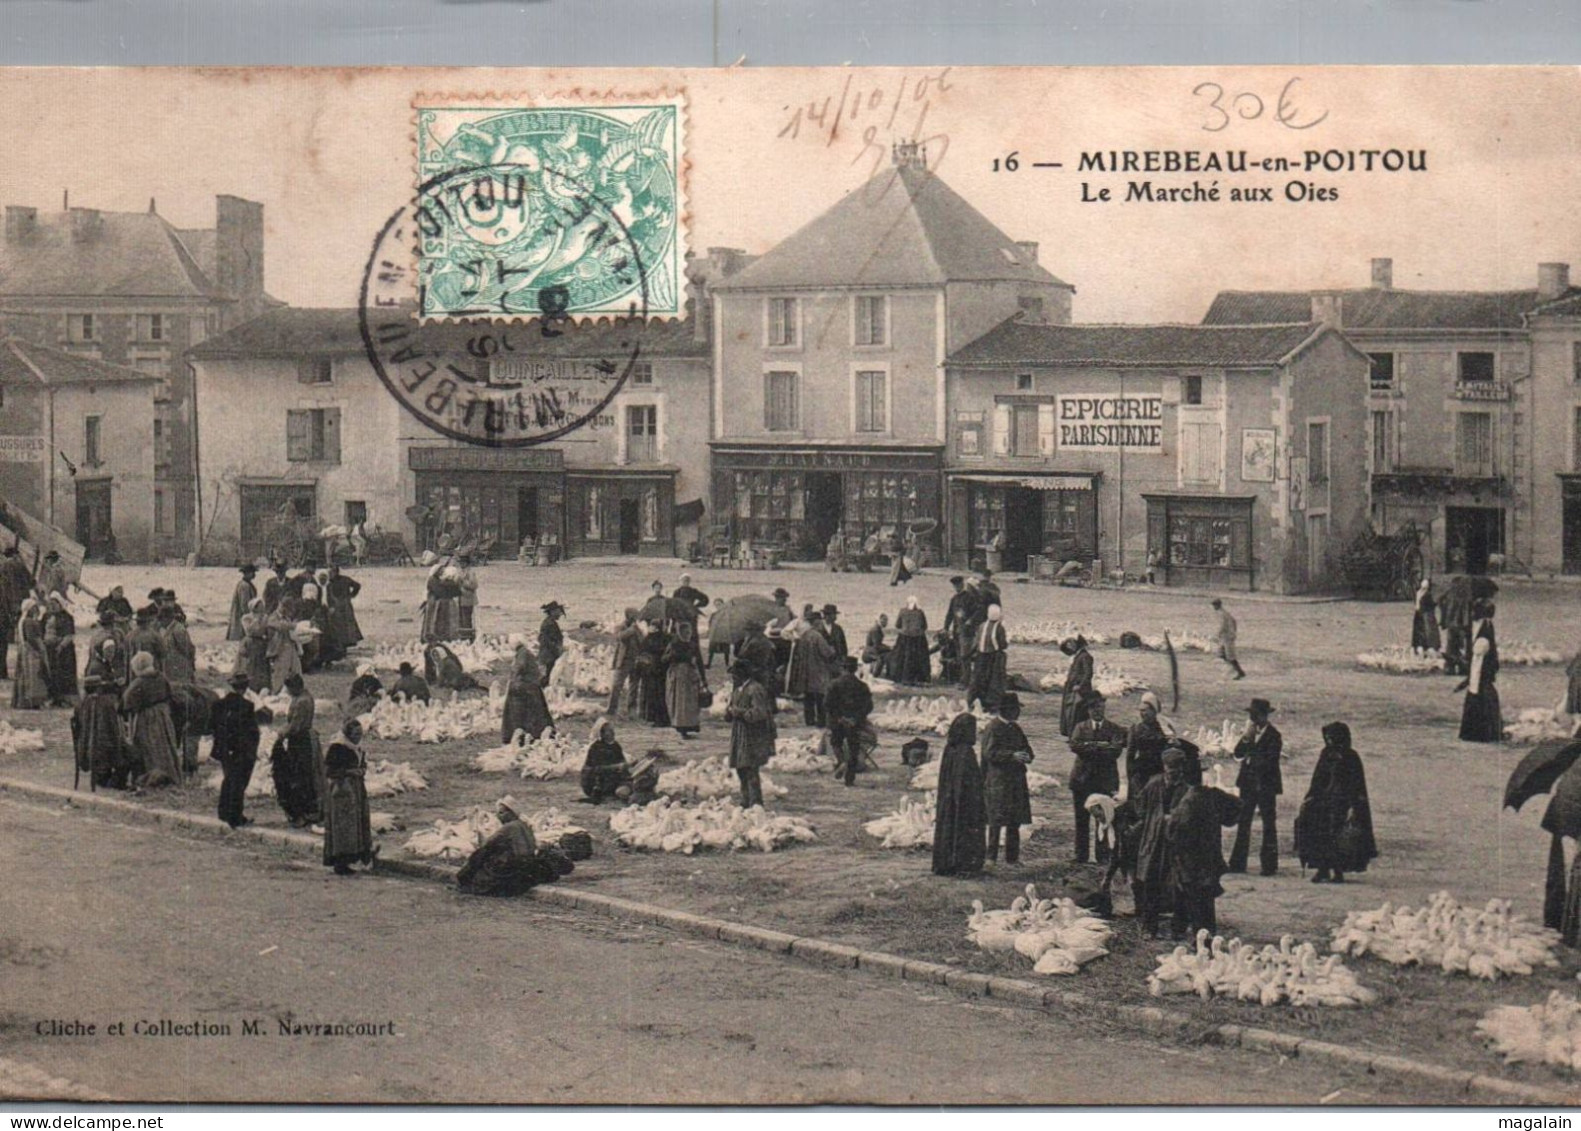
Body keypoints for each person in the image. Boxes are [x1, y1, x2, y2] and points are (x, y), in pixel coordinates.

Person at [1296, 721, 1378, 883]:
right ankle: (1323, 869)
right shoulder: (1325, 754)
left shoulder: (1351, 756)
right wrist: (1310, 797)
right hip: (1323, 804)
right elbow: (1318, 779)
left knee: (1338, 838)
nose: (1328, 739)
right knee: (1321, 836)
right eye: (1327, 737)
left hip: (1342, 804)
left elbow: (1357, 783)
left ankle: (1338, 871)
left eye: (1331, 736)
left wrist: (1354, 807)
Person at [1163, 772, 1240, 938]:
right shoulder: (1212, 795)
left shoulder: (1188, 802)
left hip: (1191, 860)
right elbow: (1237, 805)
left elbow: (1174, 833)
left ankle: (1199, 939)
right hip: (1210, 856)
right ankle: (1196, 933)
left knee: (1193, 897)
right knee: (1203, 898)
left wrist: (1169, 823)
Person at [1133, 748, 1192, 937]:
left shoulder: (1187, 790)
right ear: (1164, 767)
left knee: (1179, 884)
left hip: (1176, 845)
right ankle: (1149, 926)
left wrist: (1174, 819)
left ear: (1182, 769)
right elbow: (1140, 806)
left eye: (1176, 770)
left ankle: (1179, 928)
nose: (1172, 774)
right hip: (1154, 841)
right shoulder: (1154, 784)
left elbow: (1191, 818)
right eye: (1169, 770)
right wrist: (1154, 820)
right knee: (1151, 882)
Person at [457, 803, 574, 896]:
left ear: (510, 813)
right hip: (530, 865)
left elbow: (488, 844)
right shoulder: (524, 825)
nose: (498, 816)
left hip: (513, 867)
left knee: (480, 856)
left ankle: (464, 877)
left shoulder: (509, 828)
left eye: (502, 813)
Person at [1068, 694, 1127, 864]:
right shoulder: (1080, 727)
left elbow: (1115, 751)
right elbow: (1074, 746)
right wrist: (1100, 746)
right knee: (1081, 819)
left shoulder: (1114, 729)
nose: (1098, 711)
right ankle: (1081, 856)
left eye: (1101, 707)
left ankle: (1103, 856)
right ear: (1089, 710)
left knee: (1104, 818)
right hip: (1081, 781)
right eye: (1094, 708)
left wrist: (1089, 747)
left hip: (1104, 781)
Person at [1228, 697, 1283, 876]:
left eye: (1255, 715)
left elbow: (1269, 761)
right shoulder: (1249, 732)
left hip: (1266, 785)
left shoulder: (1275, 735)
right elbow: (1237, 753)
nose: (1252, 719)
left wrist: (1251, 758)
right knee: (1243, 823)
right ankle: (1238, 864)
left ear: (1264, 716)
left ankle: (1269, 865)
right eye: (1251, 715)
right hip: (1249, 784)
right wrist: (1245, 739)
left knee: (1269, 824)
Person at [932, 712, 987, 876]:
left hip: (950, 799)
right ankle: (963, 864)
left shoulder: (950, 749)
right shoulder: (965, 752)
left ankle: (946, 863)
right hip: (965, 800)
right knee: (964, 831)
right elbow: (966, 779)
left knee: (949, 829)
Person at [981, 693, 1034, 865]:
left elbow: (1028, 750)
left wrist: (1027, 756)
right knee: (996, 819)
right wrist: (1012, 755)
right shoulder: (993, 727)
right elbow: (989, 753)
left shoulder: (1016, 728)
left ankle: (1012, 858)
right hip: (999, 781)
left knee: (1014, 820)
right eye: (1016, 709)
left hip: (1016, 780)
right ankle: (991, 857)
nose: (1018, 712)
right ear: (1007, 710)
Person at [322, 719, 374, 876]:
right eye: (356, 734)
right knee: (343, 825)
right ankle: (340, 861)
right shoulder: (337, 748)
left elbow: (361, 763)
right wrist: (350, 772)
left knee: (355, 822)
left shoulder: (356, 747)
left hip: (356, 789)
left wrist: (361, 770)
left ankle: (356, 856)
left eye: (361, 734)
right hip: (342, 791)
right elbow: (329, 771)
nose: (359, 737)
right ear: (347, 734)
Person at [122, 651, 182, 788]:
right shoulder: (161, 677)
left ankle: (151, 778)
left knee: (148, 747)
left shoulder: (138, 683)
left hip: (147, 718)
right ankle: (170, 775)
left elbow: (127, 702)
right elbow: (169, 694)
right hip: (163, 715)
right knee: (165, 745)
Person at [211, 672, 263, 828]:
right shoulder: (247, 707)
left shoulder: (219, 705)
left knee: (228, 779)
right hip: (241, 751)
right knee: (238, 784)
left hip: (224, 750)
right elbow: (251, 733)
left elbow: (213, 726)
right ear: (245, 687)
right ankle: (235, 817)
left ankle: (224, 811)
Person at [725, 659, 776, 809]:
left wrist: (740, 713)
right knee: (741, 768)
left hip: (753, 735)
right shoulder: (738, 690)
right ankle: (745, 799)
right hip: (740, 734)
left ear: (742, 674)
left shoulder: (755, 689)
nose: (733, 677)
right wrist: (728, 713)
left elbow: (759, 713)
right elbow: (730, 710)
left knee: (751, 768)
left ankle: (755, 801)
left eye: (735, 674)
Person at [272, 674, 321, 827]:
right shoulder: (302, 697)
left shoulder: (302, 701)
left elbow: (295, 726)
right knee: (303, 775)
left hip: (301, 741)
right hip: (300, 739)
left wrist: (281, 735)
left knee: (300, 776)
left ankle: (303, 812)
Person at [72, 675, 129, 791]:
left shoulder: (80, 705)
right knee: (133, 753)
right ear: (99, 688)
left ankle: (103, 777)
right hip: (105, 750)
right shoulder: (107, 704)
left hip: (84, 750)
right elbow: (114, 730)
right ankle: (115, 782)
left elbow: (78, 729)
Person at [825, 656, 875, 787]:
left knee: (835, 742)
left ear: (843, 668)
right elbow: (868, 706)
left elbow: (828, 704)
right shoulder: (862, 686)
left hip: (838, 721)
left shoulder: (834, 684)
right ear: (855, 669)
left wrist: (839, 717)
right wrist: (855, 718)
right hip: (854, 722)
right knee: (854, 747)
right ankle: (850, 778)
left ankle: (842, 761)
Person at [1457, 601, 1502, 742]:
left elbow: (1479, 658)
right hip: (1483, 671)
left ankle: (1478, 734)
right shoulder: (1486, 626)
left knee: (1479, 700)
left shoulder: (1483, 629)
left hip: (1480, 671)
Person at [663, 620, 707, 738]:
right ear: (679, 632)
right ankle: (682, 728)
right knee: (680, 703)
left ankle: (690, 726)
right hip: (678, 677)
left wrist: (704, 679)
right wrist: (676, 656)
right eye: (685, 632)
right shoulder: (674, 644)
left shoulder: (693, 644)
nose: (687, 634)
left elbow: (700, 662)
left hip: (691, 677)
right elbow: (664, 659)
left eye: (689, 632)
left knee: (691, 703)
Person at [1126, 691, 1175, 797]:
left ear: (1154, 711)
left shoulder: (1165, 728)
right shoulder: (1135, 729)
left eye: (1145, 711)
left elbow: (1172, 752)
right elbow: (1130, 756)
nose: (1142, 714)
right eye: (1140, 711)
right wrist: (1131, 779)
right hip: (1141, 773)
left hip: (1159, 771)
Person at [501, 645, 553, 743]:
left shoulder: (522, 657)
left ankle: (519, 735)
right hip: (528, 688)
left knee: (519, 716)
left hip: (522, 689)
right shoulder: (526, 655)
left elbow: (519, 668)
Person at [797, 610, 837, 728]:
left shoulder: (804, 635)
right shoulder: (818, 636)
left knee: (808, 697)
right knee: (820, 696)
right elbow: (827, 653)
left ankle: (809, 720)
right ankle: (821, 721)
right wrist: (832, 649)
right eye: (820, 621)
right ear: (816, 622)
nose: (821, 623)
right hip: (818, 670)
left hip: (806, 670)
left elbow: (798, 653)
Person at [578, 718, 630, 802]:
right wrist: (616, 767)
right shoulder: (596, 748)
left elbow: (621, 761)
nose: (613, 733)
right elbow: (597, 769)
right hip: (595, 782)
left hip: (611, 777)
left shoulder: (615, 745)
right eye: (609, 731)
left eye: (612, 730)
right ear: (602, 734)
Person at [967, 605, 1008, 710]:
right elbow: (1003, 644)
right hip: (993, 656)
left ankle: (974, 700)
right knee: (994, 679)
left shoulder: (982, 626)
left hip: (980, 656)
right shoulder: (999, 627)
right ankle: (992, 702)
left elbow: (976, 641)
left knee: (978, 678)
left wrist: (969, 654)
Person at [10, 599, 48, 709]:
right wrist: (40, 649)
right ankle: (32, 702)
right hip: (31, 652)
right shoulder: (30, 622)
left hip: (24, 651)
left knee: (23, 676)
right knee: (33, 677)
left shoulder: (22, 621)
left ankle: (22, 701)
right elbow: (33, 638)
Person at [42, 593, 78, 706]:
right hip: (49, 649)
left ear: (60, 604)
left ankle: (64, 699)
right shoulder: (46, 616)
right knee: (51, 673)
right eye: (50, 604)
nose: (52, 606)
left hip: (64, 651)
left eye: (54, 604)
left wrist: (61, 646)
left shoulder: (66, 617)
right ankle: (52, 696)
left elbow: (69, 635)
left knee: (64, 674)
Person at [0, 545, 30, 680]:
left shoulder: (4, 567)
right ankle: (21, 672)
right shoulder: (18, 565)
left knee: (3, 641)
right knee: (21, 638)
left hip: (6, 608)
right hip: (17, 607)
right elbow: (29, 582)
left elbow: (7, 590)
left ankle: (2, 671)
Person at [420, 553, 463, 644]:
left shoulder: (441, 580)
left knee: (441, 621)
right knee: (434, 620)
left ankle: (441, 636)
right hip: (436, 602)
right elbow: (448, 591)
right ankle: (432, 636)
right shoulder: (433, 580)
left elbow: (456, 591)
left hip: (441, 602)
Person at [636, 620, 671, 727]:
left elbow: (642, 651)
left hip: (653, 669)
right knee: (660, 694)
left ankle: (656, 718)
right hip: (660, 669)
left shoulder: (649, 638)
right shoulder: (666, 637)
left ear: (656, 627)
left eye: (652, 626)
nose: (650, 627)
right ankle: (661, 718)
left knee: (654, 694)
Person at [1059, 634, 1095, 738]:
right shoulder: (1078, 656)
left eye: (1072, 644)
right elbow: (1063, 649)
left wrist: (1080, 685)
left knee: (1076, 712)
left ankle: (1076, 734)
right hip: (1072, 688)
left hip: (1079, 690)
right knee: (1071, 711)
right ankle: (1072, 733)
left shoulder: (1085, 656)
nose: (1070, 646)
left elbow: (1088, 673)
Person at [325, 565, 364, 657]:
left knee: (343, 628)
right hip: (342, 607)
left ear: (336, 572)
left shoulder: (338, 582)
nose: (329, 575)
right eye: (329, 573)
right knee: (342, 628)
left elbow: (357, 586)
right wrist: (351, 595)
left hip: (341, 608)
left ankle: (343, 647)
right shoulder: (332, 584)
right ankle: (342, 648)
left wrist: (351, 595)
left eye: (331, 573)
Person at [609, 608, 641, 718]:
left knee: (634, 685)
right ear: (629, 616)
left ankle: (631, 708)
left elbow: (642, 641)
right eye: (634, 616)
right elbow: (619, 637)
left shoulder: (636, 628)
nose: (636, 619)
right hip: (622, 661)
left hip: (634, 660)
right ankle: (612, 709)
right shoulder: (621, 627)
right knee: (617, 685)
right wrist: (631, 630)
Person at [893, 595, 931, 686]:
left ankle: (902, 678)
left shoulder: (902, 611)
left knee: (903, 657)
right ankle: (921, 678)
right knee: (921, 658)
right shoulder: (920, 612)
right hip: (919, 639)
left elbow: (897, 625)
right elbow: (925, 626)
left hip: (904, 638)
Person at [236, 603, 272, 694]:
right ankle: (251, 685)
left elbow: (266, 630)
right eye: (259, 605)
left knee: (262, 665)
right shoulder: (246, 618)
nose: (261, 607)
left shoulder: (265, 617)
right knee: (251, 664)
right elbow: (250, 630)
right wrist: (257, 620)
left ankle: (262, 685)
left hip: (261, 643)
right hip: (250, 643)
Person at [158, 600, 196, 684]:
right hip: (171, 670)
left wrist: (190, 666)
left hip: (180, 670)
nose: (159, 622)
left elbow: (188, 649)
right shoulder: (167, 629)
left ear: (167, 618)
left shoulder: (178, 630)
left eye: (161, 619)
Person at [736, 619, 778, 689]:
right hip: (763, 671)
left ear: (754, 631)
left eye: (748, 630)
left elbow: (742, 655)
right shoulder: (766, 641)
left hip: (754, 672)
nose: (747, 632)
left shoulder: (755, 642)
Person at [1211, 598, 1246, 679]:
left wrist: (1217, 635)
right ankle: (1233, 668)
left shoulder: (1222, 614)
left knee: (1230, 656)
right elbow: (1234, 621)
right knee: (1221, 654)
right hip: (1226, 637)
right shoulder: (1225, 613)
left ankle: (1239, 671)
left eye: (1214, 605)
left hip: (1227, 637)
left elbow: (1223, 625)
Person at [125, 605, 165, 674]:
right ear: (148, 621)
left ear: (137, 622)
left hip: (134, 672)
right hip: (151, 672)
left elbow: (126, 658)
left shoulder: (129, 636)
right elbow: (162, 655)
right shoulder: (155, 635)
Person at [538, 601, 566, 686]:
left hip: (548, 654)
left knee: (549, 675)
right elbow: (547, 640)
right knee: (548, 676)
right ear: (552, 612)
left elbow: (542, 638)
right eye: (558, 611)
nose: (560, 613)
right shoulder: (549, 624)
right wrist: (558, 649)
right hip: (549, 655)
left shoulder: (549, 622)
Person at [227, 565, 257, 642]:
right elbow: (244, 605)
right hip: (241, 618)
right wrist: (249, 618)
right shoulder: (244, 586)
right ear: (247, 573)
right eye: (252, 572)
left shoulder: (247, 584)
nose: (254, 574)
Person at [1412, 576, 1440, 654]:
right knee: (1425, 631)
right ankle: (1424, 646)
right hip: (1423, 614)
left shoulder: (1421, 593)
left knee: (1424, 631)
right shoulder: (1424, 594)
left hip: (1422, 614)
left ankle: (1423, 646)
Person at [455, 555, 480, 643]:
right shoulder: (459, 571)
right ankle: (462, 636)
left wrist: (463, 581)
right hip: (460, 598)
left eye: (463, 563)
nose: (461, 564)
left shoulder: (471, 572)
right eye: (460, 563)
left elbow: (474, 585)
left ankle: (468, 637)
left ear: (467, 563)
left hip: (468, 599)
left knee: (467, 619)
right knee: (460, 618)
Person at [862, 613, 892, 680]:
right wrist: (889, 648)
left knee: (888, 654)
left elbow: (878, 644)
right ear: (879, 621)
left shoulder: (877, 629)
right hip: (869, 653)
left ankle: (880, 674)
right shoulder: (876, 630)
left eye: (886, 621)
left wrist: (888, 648)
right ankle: (875, 676)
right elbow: (877, 646)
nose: (886, 623)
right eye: (884, 621)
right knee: (882, 658)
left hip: (871, 650)